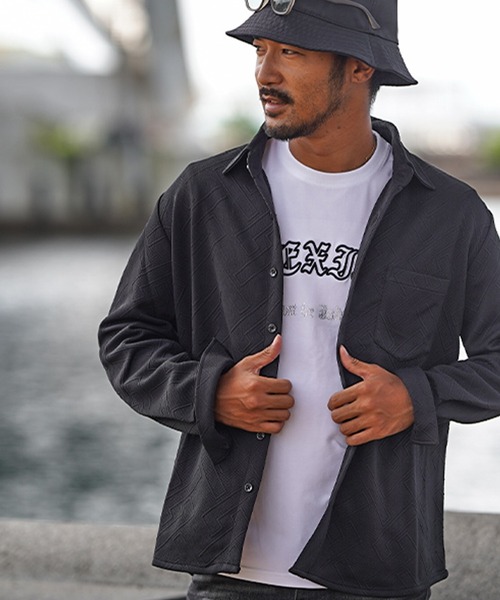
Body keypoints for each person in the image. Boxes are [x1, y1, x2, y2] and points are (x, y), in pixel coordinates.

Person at [98, 1, 500, 598]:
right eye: (261, 51)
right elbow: (127, 337)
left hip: (378, 567)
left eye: (291, 52)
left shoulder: (449, 213)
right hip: (231, 570)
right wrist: (210, 393)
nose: (265, 73)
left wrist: (416, 397)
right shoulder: (204, 195)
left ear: (360, 67)